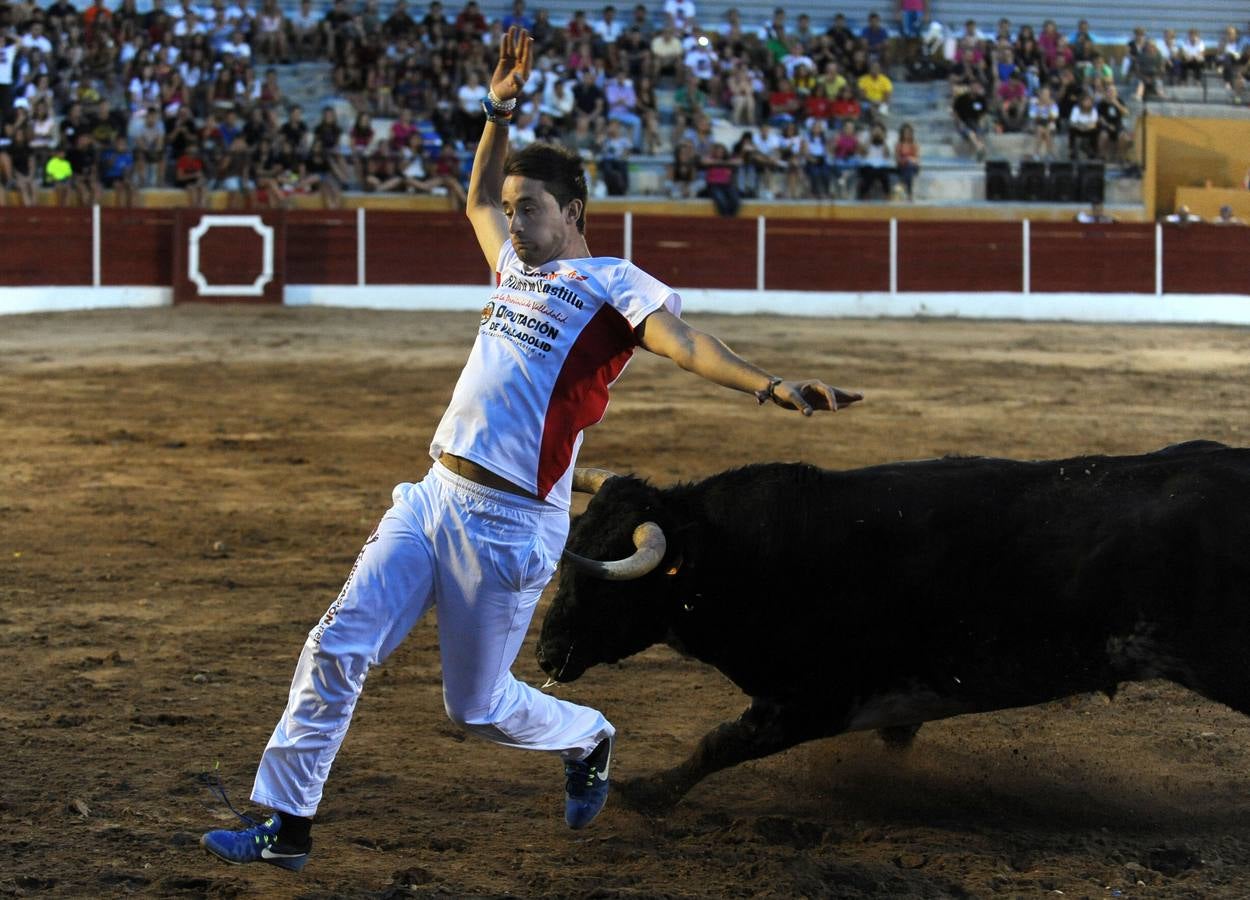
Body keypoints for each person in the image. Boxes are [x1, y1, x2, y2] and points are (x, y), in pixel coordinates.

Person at [200, 27, 861, 872]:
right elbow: (475, 198)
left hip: (511, 524)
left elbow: (688, 343)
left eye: (530, 208)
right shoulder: (513, 265)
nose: (513, 220)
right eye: (513, 210)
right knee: (336, 644)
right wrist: (496, 112)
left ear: (574, 212)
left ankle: (587, 735)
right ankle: (283, 820)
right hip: (433, 494)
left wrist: (768, 386)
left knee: (473, 709)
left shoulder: (615, 284)